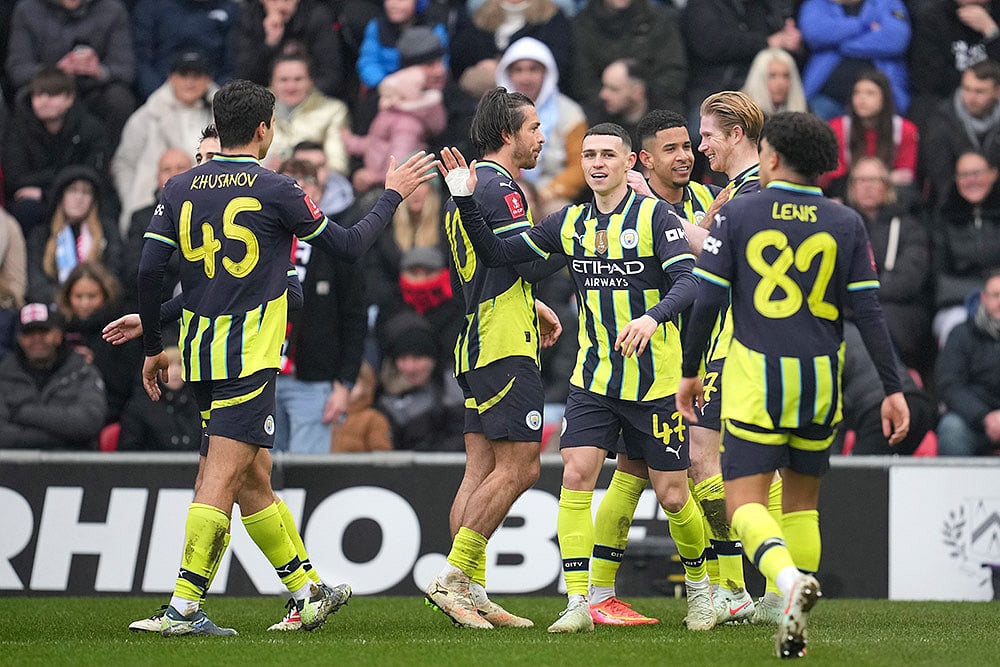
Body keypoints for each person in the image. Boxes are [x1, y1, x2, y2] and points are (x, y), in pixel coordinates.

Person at [135, 78, 436, 635]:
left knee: (251, 479)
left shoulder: (177, 187)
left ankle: (307, 591)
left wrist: (154, 344)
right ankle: (183, 608)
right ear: (263, 130)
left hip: (200, 354)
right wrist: (390, 193)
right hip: (250, 356)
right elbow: (346, 246)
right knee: (222, 477)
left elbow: (150, 271)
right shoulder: (276, 188)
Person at [438, 123, 714, 634]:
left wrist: (652, 318)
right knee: (574, 476)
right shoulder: (569, 222)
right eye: (589, 154)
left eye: (609, 154)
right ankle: (579, 602)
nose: (597, 163)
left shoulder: (657, 217)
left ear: (630, 163)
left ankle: (704, 591)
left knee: (674, 495)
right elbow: (502, 256)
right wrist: (465, 202)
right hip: (593, 379)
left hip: (655, 383)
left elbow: (690, 280)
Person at [677, 111, 909, 658]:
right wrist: (892, 386)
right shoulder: (847, 221)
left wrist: (690, 372)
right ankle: (792, 609)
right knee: (803, 503)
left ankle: (787, 584)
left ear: (772, 157)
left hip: (759, 375)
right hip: (823, 377)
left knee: (742, 504)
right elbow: (870, 311)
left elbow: (707, 299)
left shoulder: (737, 214)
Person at [424, 87, 562, 629]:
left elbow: (491, 268)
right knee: (522, 467)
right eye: (533, 128)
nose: (542, 137)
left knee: (480, 470)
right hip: (503, 344)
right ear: (507, 134)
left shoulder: (472, 183)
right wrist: (573, 235)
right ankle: (455, 576)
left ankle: (470, 590)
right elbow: (511, 256)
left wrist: (537, 306)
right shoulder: (500, 187)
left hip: (480, 335)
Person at [694, 91, 787, 625]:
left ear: (735, 135)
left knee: (715, 462)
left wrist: (656, 214)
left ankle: (763, 586)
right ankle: (753, 587)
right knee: (718, 463)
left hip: (739, 347)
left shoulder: (756, 189)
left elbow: (721, 254)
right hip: (730, 346)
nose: (702, 145)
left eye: (708, 135)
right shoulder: (740, 188)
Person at [272, 158, 367, 454]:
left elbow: (355, 316)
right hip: (260, 375)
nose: (298, 188)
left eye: (306, 181)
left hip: (313, 380)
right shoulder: (256, 239)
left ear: (319, 189)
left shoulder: (336, 240)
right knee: (259, 476)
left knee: (305, 478)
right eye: (289, 182)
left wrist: (344, 383)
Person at [112, 50, 217, 234]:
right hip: (152, 210)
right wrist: (133, 200)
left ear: (208, 79)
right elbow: (124, 164)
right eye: (183, 75)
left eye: (197, 76)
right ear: (171, 78)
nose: (190, 82)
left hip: (211, 210)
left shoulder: (224, 116)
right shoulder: (147, 116)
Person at [845, 157, 933, 373]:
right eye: (861, 180)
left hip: (898, 309)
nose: (867, 186)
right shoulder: (840, 225)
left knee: (879, 321)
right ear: (852, 187)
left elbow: (910, 277)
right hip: (850, 308)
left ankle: (897, 380)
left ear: (887, 186)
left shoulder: (909, 226)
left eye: (874, 180)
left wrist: (865, 293)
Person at [5, 0, 137, 144]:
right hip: (49, 87)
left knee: (119, 100)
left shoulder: (112, 9)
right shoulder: (27, 9)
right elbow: (17, 69)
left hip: (95, 88)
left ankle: (106, 160)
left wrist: (99, 70)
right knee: (24, 99)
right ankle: (30, 164)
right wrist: (56, 71)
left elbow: (126, 69)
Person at [2, 67, 110, 236]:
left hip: (78, 196)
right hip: (35, 204)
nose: (44, 101)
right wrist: (66, 175)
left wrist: (45, 192)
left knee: (105, 207)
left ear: (69, 99)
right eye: (38, 95)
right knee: (25, 209)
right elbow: (15, 179)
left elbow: (93, 175)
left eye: (52, 95)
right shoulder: (18, 128)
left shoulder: (90, 128)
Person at [496, 37, 587, 216]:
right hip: (504, 190)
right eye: (518, 70)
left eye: (533, 69)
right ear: (508, 74)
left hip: (551, 194)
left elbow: (580, 165)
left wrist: (548, 192)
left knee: (562, 213)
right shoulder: (494, 113)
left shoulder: (570, 112)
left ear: (546, 73)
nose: (526, 77)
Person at [0, 302, 107, 449]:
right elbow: (3, 435)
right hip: (16, 469)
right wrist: (61, 438)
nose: (37, 338)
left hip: (74, 467)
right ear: (20, 339)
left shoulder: (82, 371)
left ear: (58, 335)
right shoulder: (4, 374)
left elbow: (89, 422)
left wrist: (23, 413)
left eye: (44, 331)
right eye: (29, 333)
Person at [56, 261, 141, 426]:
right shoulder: (58, 329)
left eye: (92, 296)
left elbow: (127, 382)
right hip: (64, 413)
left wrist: (94, 363)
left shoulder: (120, 328)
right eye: (78, 297)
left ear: (105, 295)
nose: (85, 304)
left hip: (113, 413)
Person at [797, 0, 911, 120]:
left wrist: (842, 45)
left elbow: (895, 40)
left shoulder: (888, 3)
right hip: (827, 98)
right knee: (811, 130)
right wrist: (864, 25)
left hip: (880, 102)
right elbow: (815, 33)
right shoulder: (818, 3)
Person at [930, 150, 1000, 346]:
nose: (971, 180)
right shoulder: (943, 218)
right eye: (964, 175)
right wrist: (981, 296)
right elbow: (939, 275)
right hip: (958, 303)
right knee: (955, 328)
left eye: (977, 173)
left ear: (993, 174)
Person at [25, 165, 121, 304]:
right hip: (55, 310)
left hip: (99, 309)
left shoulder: (108, 231)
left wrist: (88, 298)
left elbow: (114, 277)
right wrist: (69, 301)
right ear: (60, 197)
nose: (79, 198)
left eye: (86, 192)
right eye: (72, 190)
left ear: (94, 200)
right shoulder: (41, 235)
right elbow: (36, 285)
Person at [818, 70, 919, 200]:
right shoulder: (837, 128)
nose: (861, 99)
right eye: (857, 93)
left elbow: (905, 176)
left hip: (891, 195)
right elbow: (833, 177)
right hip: (847, 193)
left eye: (870, 93)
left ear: (884, 98)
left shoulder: (905, 129)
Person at [571, 0, 687, 113]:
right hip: (602, 111)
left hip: (654, 107)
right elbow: (583, 81)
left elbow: (673, 72)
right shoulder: (581, 26)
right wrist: (613, 95)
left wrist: (640, 96)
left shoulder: (659, 20)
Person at [935, 268, 1000, 456]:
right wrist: (984, 417)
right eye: (995, 295)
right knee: (951, 430)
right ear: (983, 298)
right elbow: (948, 384)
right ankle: (952, 486)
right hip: (974, 421)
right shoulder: (961, 334)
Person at [921, 60, 1000, 206]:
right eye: (967, 89)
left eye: (979, 91)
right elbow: (939, 176)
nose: (971, 98)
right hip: (953, 211)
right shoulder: (942, 120)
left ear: (997, 91)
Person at [236, 0, 347, 100]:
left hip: (312, 98)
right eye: (274, 0)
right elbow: (244, 77)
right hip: (265, 100)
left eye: (286, 0)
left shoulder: (317, 16)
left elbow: (331, 74)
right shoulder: (249, 18)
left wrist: (297, 93)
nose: (281, 6)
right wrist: (270, 43)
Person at [131, 0, 239, 101]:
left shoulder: (229, 9)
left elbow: (234, 63)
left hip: (214, 98)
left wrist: (216, 96)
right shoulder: (151, 6)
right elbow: (141, 59)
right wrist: (163, 94)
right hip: (160, 97)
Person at [265, 53, 350, 175]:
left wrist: (307, 167)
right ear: (272, 82)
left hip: (317, 187)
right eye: (283, 80)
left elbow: (338, 166)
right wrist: (264, 168)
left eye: (298, 79)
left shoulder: (333, 111)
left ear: (310, 81)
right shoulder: (254, 110)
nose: (291, 86)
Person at [740, 47, 809, 116]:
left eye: (786, 76)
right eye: (772, 76)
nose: (780, 83)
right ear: (759, 79)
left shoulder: (804, 112)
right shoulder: (742, 113)